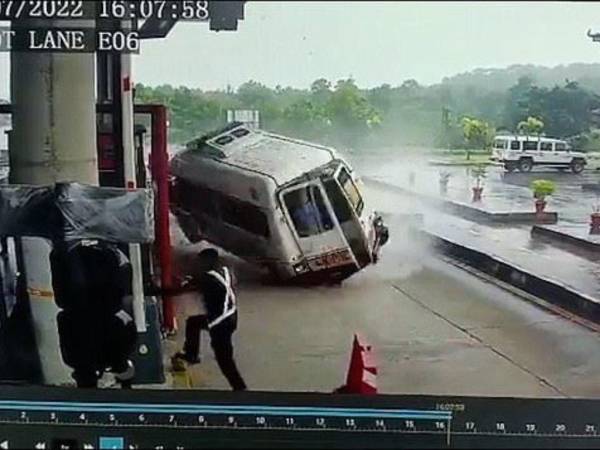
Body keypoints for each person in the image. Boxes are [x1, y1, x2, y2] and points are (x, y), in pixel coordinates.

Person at [169, 248, 247, 391]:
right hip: (230, 317)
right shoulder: (224, 271)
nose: (198, 264)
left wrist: (155, 291)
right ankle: (191, 354)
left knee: (225, 361)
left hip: (220, 324)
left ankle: (240, 390)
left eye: (200, 262)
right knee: (194, 323)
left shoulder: (207, 278)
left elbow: (180, 290)